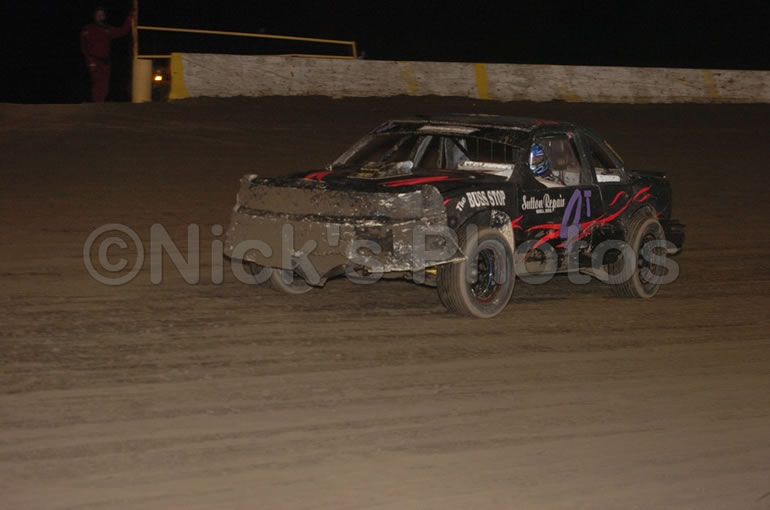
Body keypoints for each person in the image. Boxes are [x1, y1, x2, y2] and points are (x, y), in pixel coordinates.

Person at [80, 7, 133, 102]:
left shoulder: (107, 29)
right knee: (97, 83)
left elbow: (122, 31)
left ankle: (101, 103)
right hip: (94, 60)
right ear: (94, 16)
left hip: (105, 61)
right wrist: (90, 60)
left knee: (105, 84)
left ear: (104, 16)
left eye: (102, 14)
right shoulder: (87, 28)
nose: (100, 16)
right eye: (98, 14)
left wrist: (129, 19)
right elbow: (83, 45)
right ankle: (96, 103)